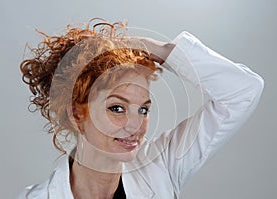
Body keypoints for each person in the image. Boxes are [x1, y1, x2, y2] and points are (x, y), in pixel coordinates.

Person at [18, 18, 264, 199]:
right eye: (117, 108)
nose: (135, 126)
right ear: (76, 114)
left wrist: (159, 50)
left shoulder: (160, 166)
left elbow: (244, 91)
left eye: (143, 110)